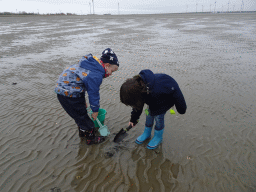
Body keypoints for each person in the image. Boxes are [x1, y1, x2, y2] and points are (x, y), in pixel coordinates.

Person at [55, 48, 119, 145]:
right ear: (107, 65)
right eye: (112, 71)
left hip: (67, 90)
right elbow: (93, 93)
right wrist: (95, 110)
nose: (110, 74)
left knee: (80, 115)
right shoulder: (96, 74)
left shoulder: (91, 65)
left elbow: (81, 83)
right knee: (85, 119)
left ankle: (82, 132)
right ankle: (91, 139)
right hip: (68, 94)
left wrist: (82, 100)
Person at [120, 69, 187, 149]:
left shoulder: (157, 90)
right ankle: (147, 133)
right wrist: (133, 120)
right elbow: (137, 106)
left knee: (158, 118)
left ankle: (158, 137)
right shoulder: (140, 89)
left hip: (164, 100)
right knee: (149, 115)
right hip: (152, 98)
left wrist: (181, 108)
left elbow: (176, 91)